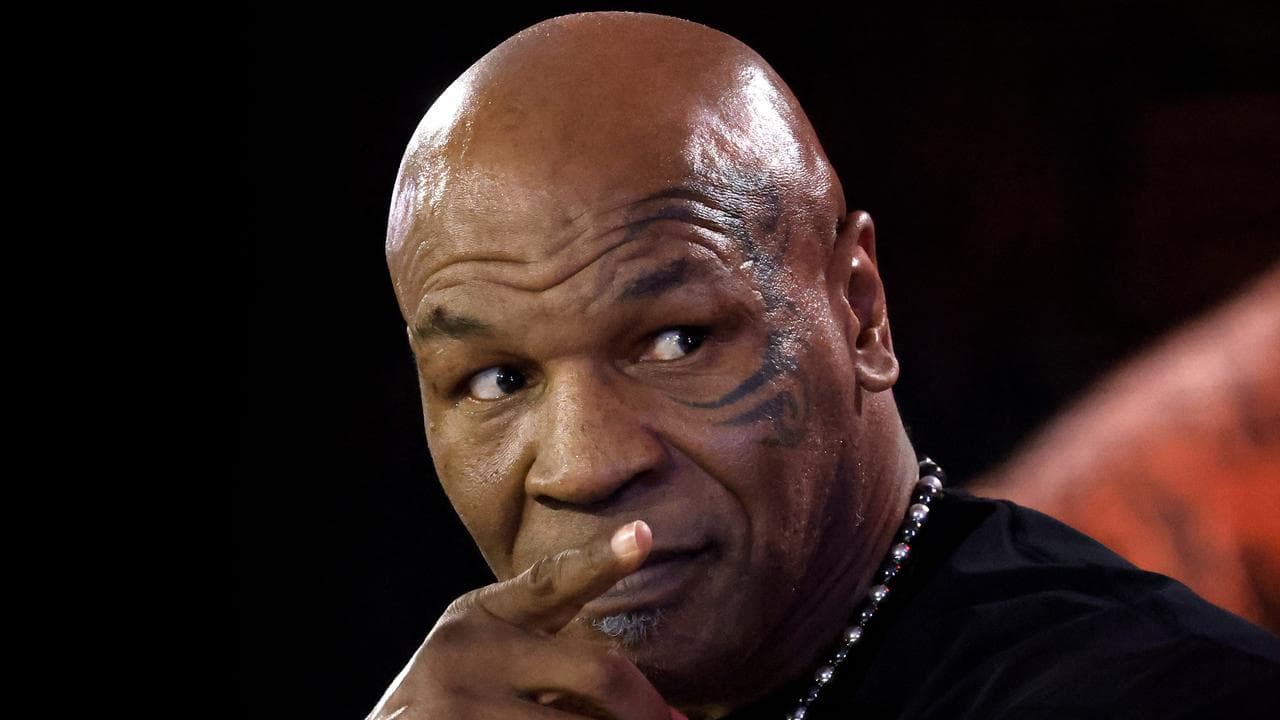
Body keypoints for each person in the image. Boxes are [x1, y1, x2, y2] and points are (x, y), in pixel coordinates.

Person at [369, 11, 1278, 719]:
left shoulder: (1166, 696)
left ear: (861, 314)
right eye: (497, 380)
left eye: (677, 340)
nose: (583, 468)